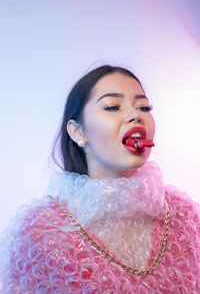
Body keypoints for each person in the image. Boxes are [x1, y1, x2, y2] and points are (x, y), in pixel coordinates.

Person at [0, 65, 199, 293]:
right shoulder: (40, 233)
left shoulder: (184, 216)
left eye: (144, 107)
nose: (136, 115)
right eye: (113, 106)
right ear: (77, 132)